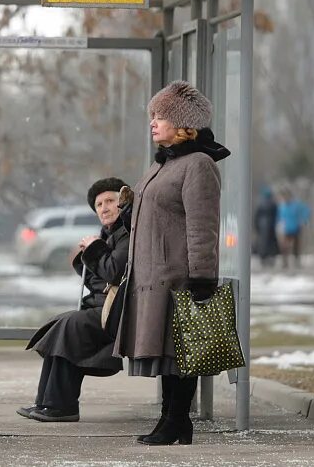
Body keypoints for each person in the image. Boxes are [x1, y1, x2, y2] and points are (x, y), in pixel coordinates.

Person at [112, 81, 230, 446]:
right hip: (153, 274)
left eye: (160, 116)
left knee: (182, 352)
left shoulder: (198, 165)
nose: (153, 123)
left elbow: (202, 225)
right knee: (168, 352)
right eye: (152, 116)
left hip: (179, 275)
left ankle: (176, 420)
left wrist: (202, 277)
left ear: (184, 124)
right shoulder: (165, 162)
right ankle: (172, 420)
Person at [19, 177, 130, 422]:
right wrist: (85, 254)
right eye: (99, 204)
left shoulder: (126, 234)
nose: (104, 207)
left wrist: (94, 249)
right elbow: (98, 277)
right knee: (64, 324)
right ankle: (47, 403)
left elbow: (114, 272)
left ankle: (62, 406)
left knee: (70, 326)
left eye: (110, 201)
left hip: (117, 312)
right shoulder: (108, 234)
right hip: (102, 308)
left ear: (123, 204)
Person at [277, 189, 310, 268]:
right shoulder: (282, 206)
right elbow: (279, 217)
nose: (285, 198)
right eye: (283, 197)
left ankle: (297, 262)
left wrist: (304, 220)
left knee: (296, 246)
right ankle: (285, 262)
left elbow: (307, 210)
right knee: (284, 246)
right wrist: (279, 224)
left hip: (296, 228)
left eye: (286, 197)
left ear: (290, 197)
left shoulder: (297, 205)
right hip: (286, 229)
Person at [254, 187, 280, 268]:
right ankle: (270, 258)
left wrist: (257, 227)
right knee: (270, 243)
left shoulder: (261, 204)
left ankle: (263, 258)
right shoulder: (273, 204)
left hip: (262, 227)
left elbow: (256, 217)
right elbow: (276, 215)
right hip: (270, 227)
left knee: (263, 243)